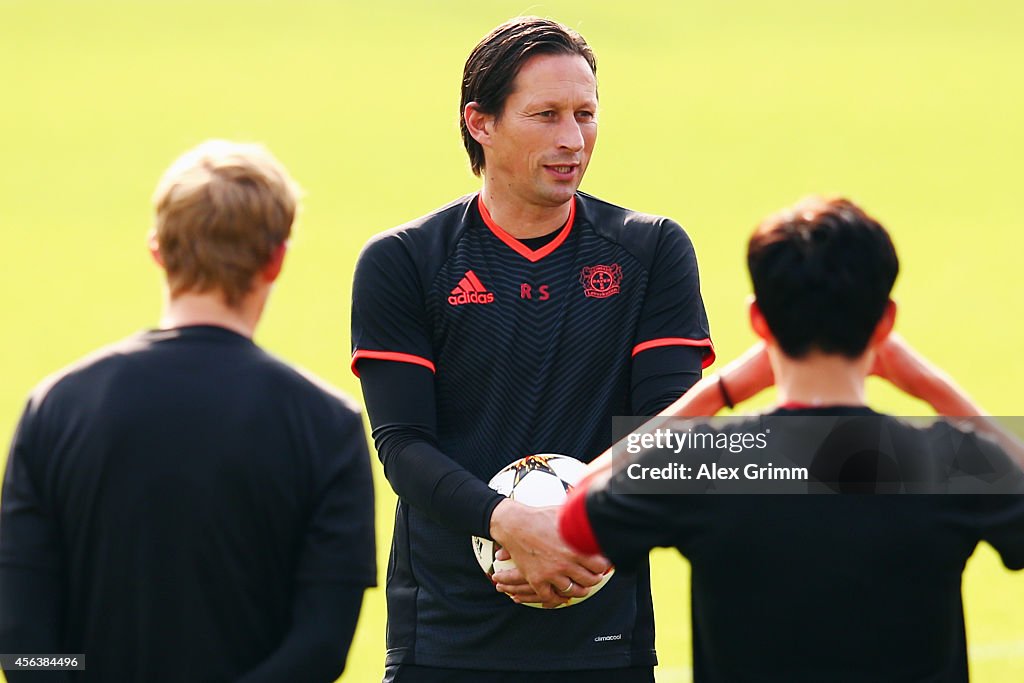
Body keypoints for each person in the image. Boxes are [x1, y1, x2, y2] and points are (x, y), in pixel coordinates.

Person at [351, 16, 714, 683]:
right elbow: (403, 445)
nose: (573, 140)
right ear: (479, 122)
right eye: (545, 115)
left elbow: (668, 432)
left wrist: (582, 530)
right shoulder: (405, 261)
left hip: (603, 634)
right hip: (445, 641)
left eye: (586, 114)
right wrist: (511, 523)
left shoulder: (651, 251)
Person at [559, 196, 1024, 682]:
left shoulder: (708, 463)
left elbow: (575, 510)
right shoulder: (952, 459)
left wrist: (720, 390)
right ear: (885, 323)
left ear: (759, 321)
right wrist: (930, 385)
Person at [0, 140, 376, 682]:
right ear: (276, 259)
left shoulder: (54, 408)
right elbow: (320, 644)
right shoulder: (326, 424)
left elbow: (23, 642)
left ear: (158, 248)